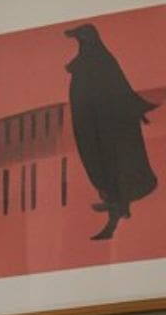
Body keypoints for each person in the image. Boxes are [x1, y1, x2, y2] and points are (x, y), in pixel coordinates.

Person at [64, 21, 159, 242]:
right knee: (100, 167)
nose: (81, 45)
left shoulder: (103, 62)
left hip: (108, 131)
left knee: (113, 168)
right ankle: (119, 206)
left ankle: (114, 217)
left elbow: (120, 89)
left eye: (82, 40)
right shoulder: (86, 64)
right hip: (93, 129)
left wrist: (136, 111)